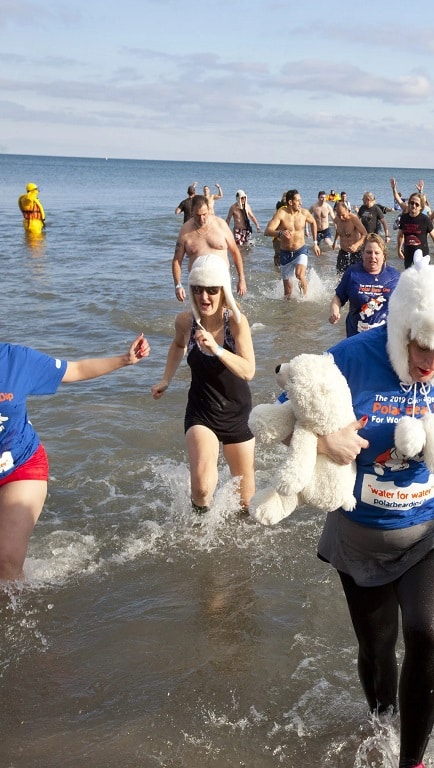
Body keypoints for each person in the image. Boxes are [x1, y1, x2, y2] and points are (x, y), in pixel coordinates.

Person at [314, 253, 434, 768]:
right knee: (377, 650)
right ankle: (380, 719)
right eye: (418, 346)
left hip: (432, 530)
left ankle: (411, 760)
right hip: (360, 534)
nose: (427, 362)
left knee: (427, 633)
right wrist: (323, 437)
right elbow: (285, 407)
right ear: (400, 327)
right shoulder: (352, 358)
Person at [0, 334, 150, 581]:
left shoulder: (15, 360)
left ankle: (15, 611)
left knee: (5, 560)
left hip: (21, 466)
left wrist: (126, 359)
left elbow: (75, 369)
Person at [151, 255, 255, 516]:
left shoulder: (237, 322)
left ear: (223, 290)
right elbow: (177, 346)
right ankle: (198, 533)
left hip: (236, 413)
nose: (204, 297)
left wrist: (217, 349)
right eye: (198, 290)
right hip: (202, 410)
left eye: (211, 290)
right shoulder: (186, 322)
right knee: (201, 487)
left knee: (245, 502)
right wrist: (166, 379)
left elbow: (249, 370)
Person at [172, 197, 248, 302]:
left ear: (209, 210)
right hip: (198, 284)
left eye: (204, 214)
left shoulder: (221, 225)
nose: (201, 219)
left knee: (227, 313)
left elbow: (235, 252)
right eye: (197, 215)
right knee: (199, 316)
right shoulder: (185, 231)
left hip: (221, 280)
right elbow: (177, 260)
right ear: (192, 212)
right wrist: (178, 285)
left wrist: (241, 279)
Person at [329, 234, 400, 337]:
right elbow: (338, 298)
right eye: (368, 252)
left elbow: (406, 305)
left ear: (383, 255)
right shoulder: (352, 273)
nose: (373, 256)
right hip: (356, 337)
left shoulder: (395, 276)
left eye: (377, 253)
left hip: (384, 338)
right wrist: (334, 312)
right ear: (362, 254)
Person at [263, 189, 321, 298]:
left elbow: (313, 222)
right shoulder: (281, 214)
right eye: (298, 201)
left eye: (300, 200)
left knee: (299, 275)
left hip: (300, 250)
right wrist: (280, 233)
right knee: (288, 292)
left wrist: (315, 242)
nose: (301, 203)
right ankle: (289, 312)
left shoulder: (304, 213)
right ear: (290, 202)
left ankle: (305, 299)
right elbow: (267, 231)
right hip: (285, 253)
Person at [397, 193, 434, 269]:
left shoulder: (425, 220)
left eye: (417, 204)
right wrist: (399, 249)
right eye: (412, 203)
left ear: (421, 207)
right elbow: (400, 235)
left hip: (423, 257)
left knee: (423, 279)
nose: (414, 205)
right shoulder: (404, 218)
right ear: (409, 204)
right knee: (410, 278)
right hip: (408, 254)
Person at [332, 202, 368, 274]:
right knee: (340, 276)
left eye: (343, 215)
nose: (341, 217)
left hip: (355, 253)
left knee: (355, 276)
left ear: (347, 210)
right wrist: (335, 241)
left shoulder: (354, 219)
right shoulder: (336, 219)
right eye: (338, 215)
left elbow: (364, 233)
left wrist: (356, 245)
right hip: (343, 252)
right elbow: (338, 231)